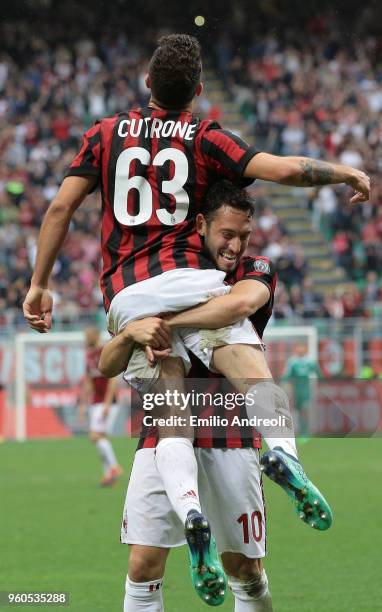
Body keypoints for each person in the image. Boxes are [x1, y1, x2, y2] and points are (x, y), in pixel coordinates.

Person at [23, 34, 368, 605]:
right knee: (251, 365)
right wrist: (341, 172)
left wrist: (39, 285)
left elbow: (61, 207)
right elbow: (280, 169)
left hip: (130, 294)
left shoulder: (105, 134)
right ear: (200, 92)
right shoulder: (205, 137)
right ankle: (285, 453)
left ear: (146, 84)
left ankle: (191, 515)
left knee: (168, 400)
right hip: (188, 280)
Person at [99, 182, 275, 611]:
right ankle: (197, 523)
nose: (235, 245)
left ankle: (282, 454)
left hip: (228, 428)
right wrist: (132, 332)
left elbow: (240, 305)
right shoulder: (154, 282)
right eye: (227, 234)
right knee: (142, 565)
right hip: (163, 432)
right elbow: (108, 360)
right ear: (200, 226)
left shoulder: (252, 270)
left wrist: (166, 321)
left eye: (243, 236)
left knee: (245, 570)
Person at [78, 326, 122, 486]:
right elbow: (89, 381)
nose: (85, 338)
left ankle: (114, 467)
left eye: (87, 334)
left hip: (108, 403)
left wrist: (107, 404)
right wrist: (83, 404)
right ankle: (109, 475)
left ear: (95, 335)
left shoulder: (105, 351)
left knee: (96, 436)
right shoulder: (89, 356)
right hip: (96, 401)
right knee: (100, 439)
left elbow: (112, 379)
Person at [282, 342, 321, 437]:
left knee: (305, 409)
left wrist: (322, 383)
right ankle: (299, 430)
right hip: (295, 390)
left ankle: (305, 432)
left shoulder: (310, 361)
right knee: (298, 411)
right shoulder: (292, 362)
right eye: (299, 347)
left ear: (305, 349)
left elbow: (318, 372)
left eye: (302, 347)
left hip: (306, 390)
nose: (300, 349)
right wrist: (284, 384)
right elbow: (286, 375)